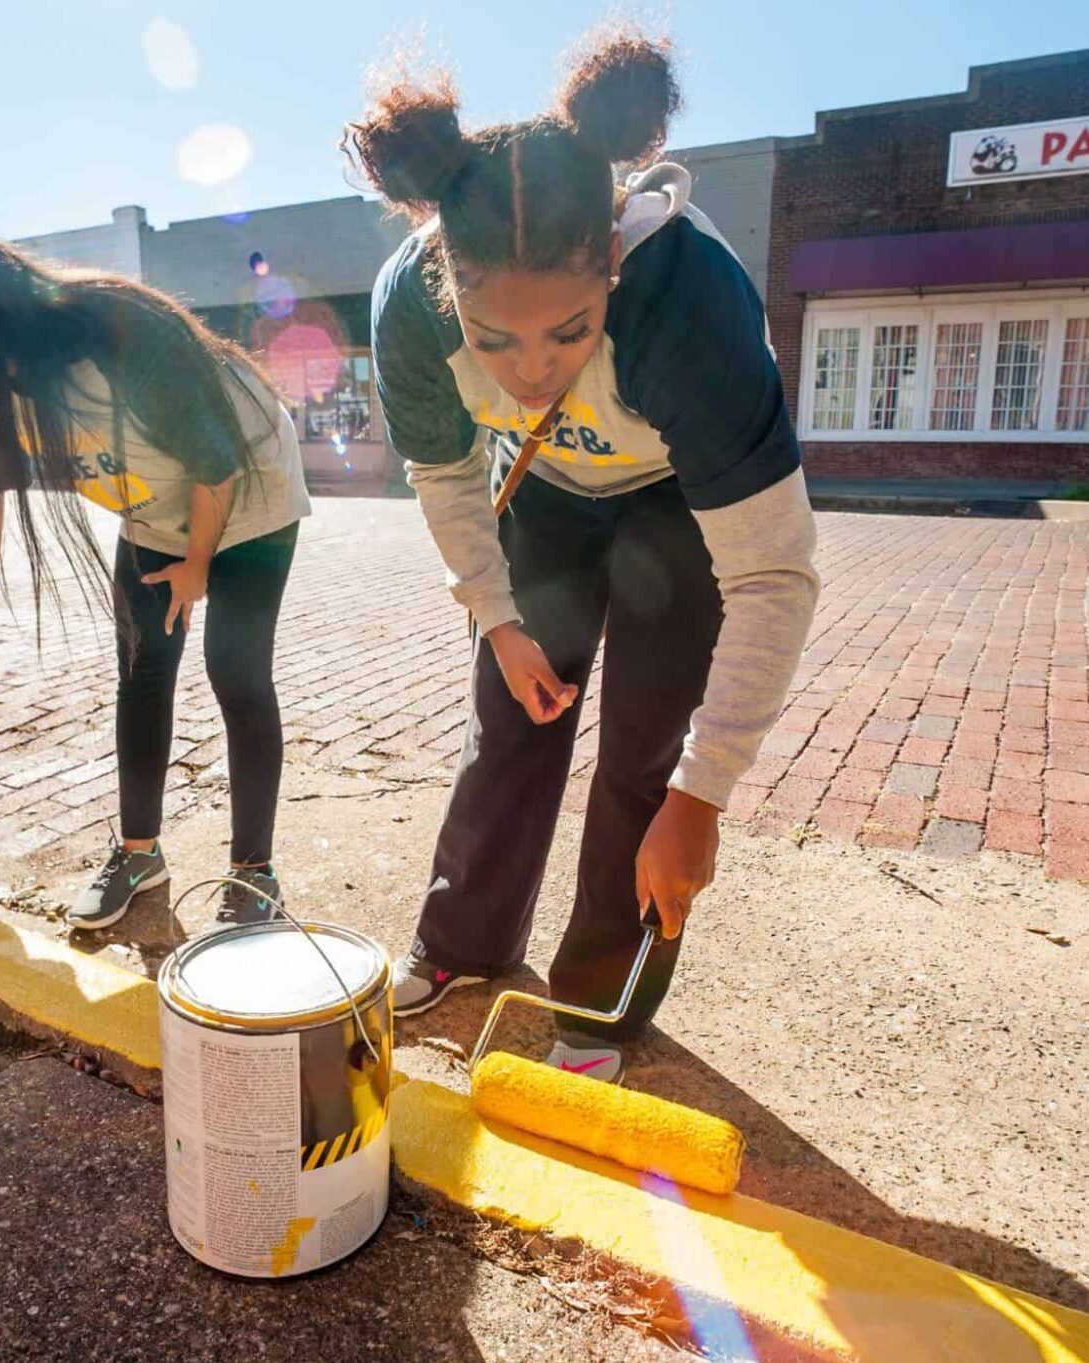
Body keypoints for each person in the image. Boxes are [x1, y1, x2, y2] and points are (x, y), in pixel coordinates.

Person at [346, 32, 819, 1078]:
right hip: (548, 492)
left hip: (672, 503)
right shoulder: (408, 309)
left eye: (564, 333)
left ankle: (601, 999)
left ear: (611, 260)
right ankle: (459, 942)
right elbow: (447, 478)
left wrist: (702, 796)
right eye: (492, 335)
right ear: (447, 285)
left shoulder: (689, 303)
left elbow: (773, 575)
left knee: (645, 757)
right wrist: (502, 623)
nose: (526, 369)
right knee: (509, 714)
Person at [0, 212, 312, 929]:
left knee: (237, 670)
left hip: (244, 480)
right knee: (141, 667)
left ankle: (253, 873)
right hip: (156, 501)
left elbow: (215, 462)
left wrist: (197, 563)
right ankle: (139, 851)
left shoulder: (114, 322)